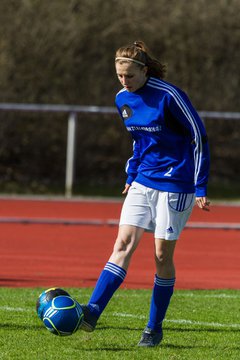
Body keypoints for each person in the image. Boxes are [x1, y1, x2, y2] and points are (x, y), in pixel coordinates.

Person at [79, 40, 210, 347]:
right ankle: (92, 312)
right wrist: (132, 172)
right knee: (122, 243)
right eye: (119, 76)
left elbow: (199, 137)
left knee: (161, 255)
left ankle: (153, 328)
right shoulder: (122, 99)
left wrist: (200, 184)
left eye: (130, 76)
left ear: (144, 70)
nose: (124, 82)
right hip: (143, 181)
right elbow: (139, 141)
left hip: (176, 182)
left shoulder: (170, 96)